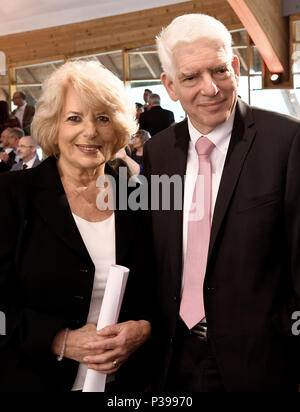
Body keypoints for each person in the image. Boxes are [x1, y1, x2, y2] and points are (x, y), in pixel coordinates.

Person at [143, 14, 300, 392]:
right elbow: (157, 252)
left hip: (259, 359)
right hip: (171, 355)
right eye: (190, 77)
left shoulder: (287, 141)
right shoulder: (158, 152)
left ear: (234, 65)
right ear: (169, 86)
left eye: (218, 71)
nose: (210, 89)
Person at [0, 60, 153, 392]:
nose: (91, 132)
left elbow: (163, 287)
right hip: (32, 379)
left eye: (103, 118)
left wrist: (145, 328)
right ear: (53, 126)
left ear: (120, 128)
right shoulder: (11, 196)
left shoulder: (139, 198)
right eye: (74, 118)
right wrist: (59, 340)